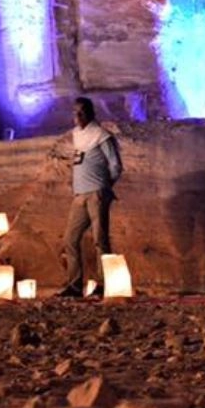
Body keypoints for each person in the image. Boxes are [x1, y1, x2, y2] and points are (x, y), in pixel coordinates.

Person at [56, 97, 123, 298]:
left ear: (91, 113)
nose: (77, 116)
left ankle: (104, 285)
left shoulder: (102, 135)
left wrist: (104, 186)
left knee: (99, 239)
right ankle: (75, 285)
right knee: (70, 238)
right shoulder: (77, 135)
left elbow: (115, 165)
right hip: (80, 195)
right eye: (75, 112)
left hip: (96, 192)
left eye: (81, 112)